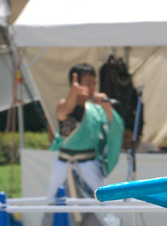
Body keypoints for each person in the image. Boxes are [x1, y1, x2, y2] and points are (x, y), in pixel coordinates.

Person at [44, 63, 124, 225]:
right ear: (76, 83)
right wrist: (73, 93)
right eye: (88, 83)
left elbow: (115, 129)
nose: (92, 88)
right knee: (53, 205)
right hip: (63, 165)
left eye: (94, 83)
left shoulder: (97, 109)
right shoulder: (64, 104)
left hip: (89, 165)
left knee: (102, 208)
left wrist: (107, 107)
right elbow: (64, 111)